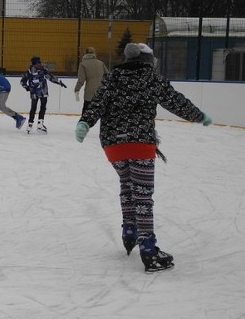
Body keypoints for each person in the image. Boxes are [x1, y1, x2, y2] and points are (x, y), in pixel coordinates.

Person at [75, 42, 212, 273]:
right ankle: (148, 250)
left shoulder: (113, 77)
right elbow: (175, 102)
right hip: (140, 143)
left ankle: (130, 230)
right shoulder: (153, 78)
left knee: (127, 185)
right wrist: (199, 116)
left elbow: (97, 103)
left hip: (113, 144)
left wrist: (84, 123)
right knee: (143, 196)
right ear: (148, 61)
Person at [19, 56, 67, 133]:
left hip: (33, 93)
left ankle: (30, 125)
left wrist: (27, 88)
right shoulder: (43, 70)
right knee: (43, 107)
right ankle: (40, 124)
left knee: (33, 108)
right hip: (43, 92)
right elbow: (51, 78)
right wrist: (60, 82)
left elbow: (22, 82)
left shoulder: (28, 71)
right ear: (39, 62)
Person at [75, 47, 108, 113]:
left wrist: (77, 90)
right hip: (101, 92)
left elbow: (81, 80)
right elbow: (108, 76)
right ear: (94, 53)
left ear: (85, 53)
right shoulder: (101, 63)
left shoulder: (83, 64)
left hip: (89, 94)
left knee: (86, 114)